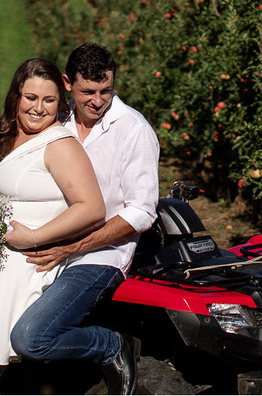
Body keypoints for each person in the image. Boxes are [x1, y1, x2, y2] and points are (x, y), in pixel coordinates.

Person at [0, 58, 106, 395]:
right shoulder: (3, 137)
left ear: (60, 103)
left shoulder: (58, 145)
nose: (38, 108)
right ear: (16, 96)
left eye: (49, 100)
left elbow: (92, 207)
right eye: (30, 97)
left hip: (18, 272)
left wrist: (32, 236)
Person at [10, 43, 160, 394]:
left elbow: (141, 211)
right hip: (45, 242)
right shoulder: (55, 120)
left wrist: (73, 246)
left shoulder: (133, 130)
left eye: (106, 90)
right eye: (87, 92)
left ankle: (111, 345)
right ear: (67, 83)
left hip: (97, 255)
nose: (98, 101)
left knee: (30, 338)